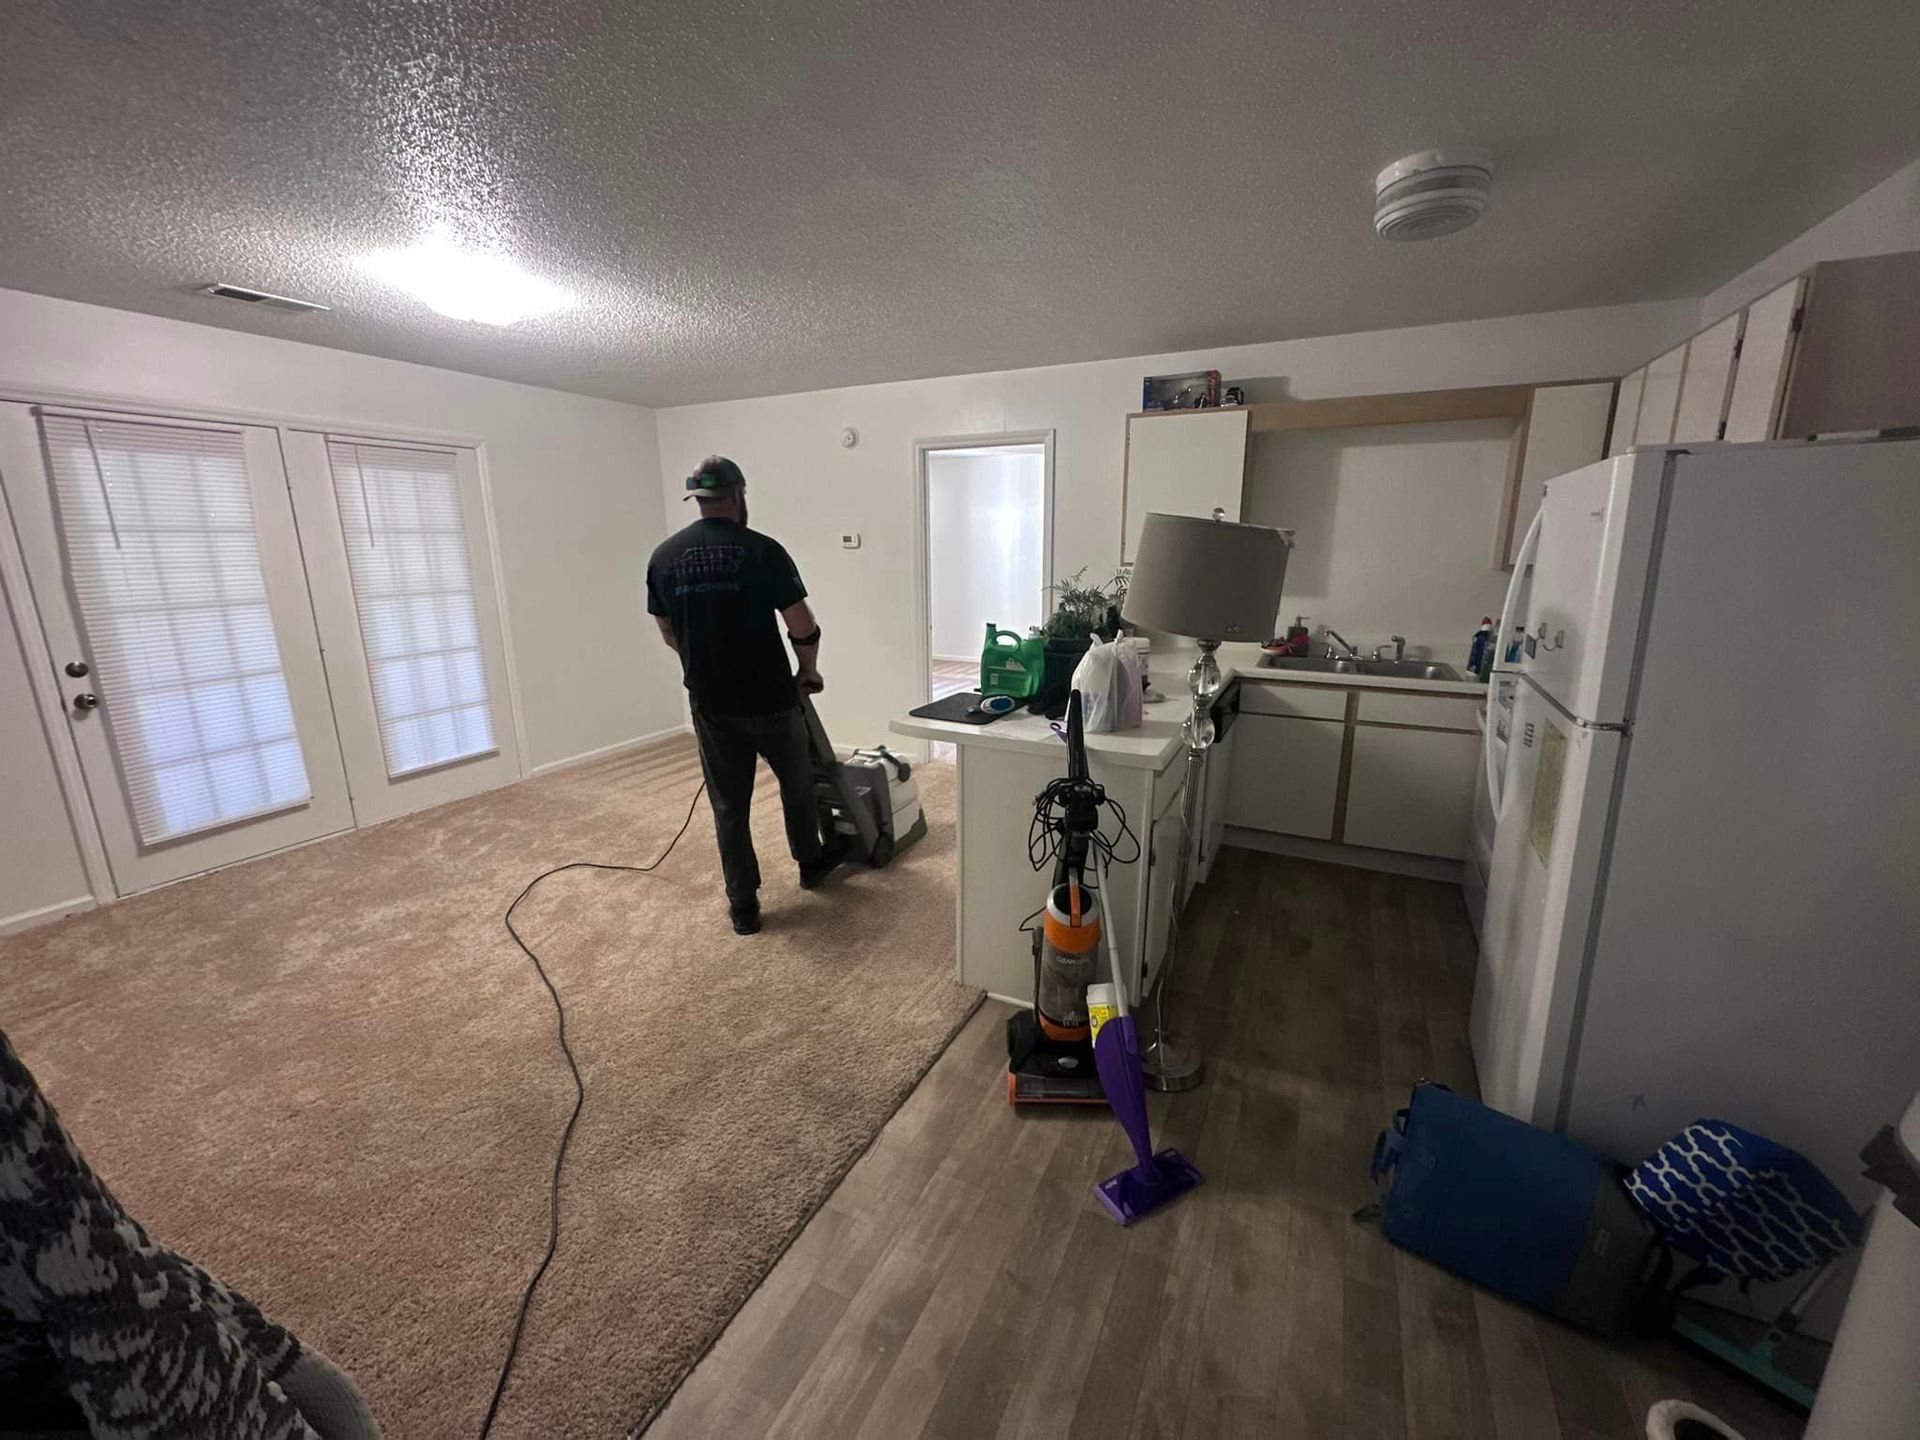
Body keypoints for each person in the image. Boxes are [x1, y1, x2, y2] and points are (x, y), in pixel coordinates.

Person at [647, 456, 846, 934]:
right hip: (772, 699)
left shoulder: (663, 556)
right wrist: (809, 671)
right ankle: (810, 864)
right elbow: (802, 624)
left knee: (729, 805)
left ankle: (744, 906)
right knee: (797, 786)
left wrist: (704, 663)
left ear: (697, 499)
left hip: (711, 705)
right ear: (739, 496)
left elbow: (668, 631)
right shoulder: (763, 551)